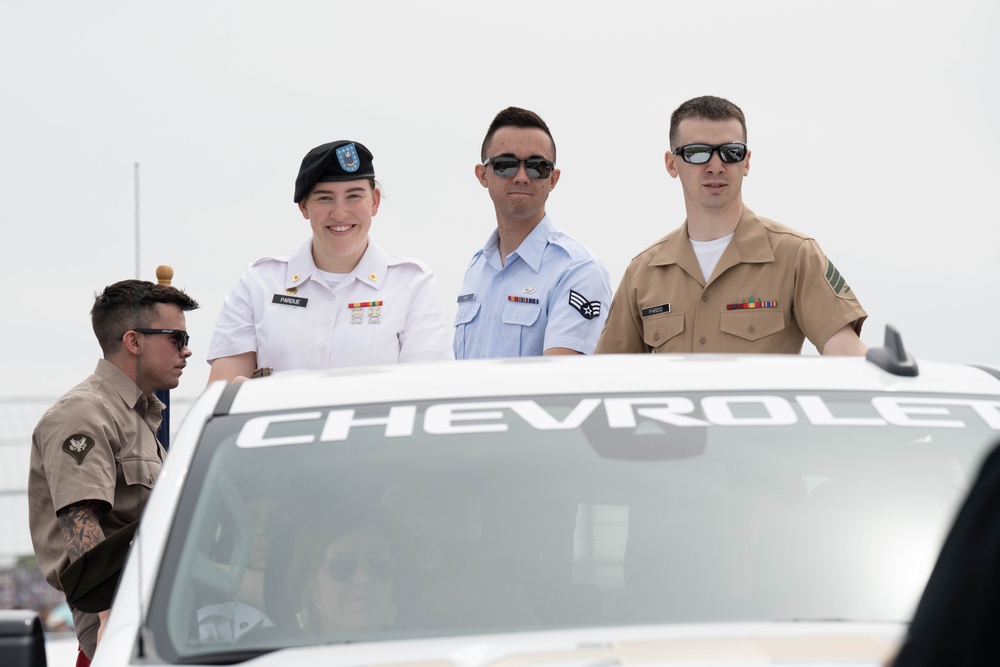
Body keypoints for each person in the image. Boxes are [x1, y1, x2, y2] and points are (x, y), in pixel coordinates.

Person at [595, 95, 867, 356]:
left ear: (746, 162)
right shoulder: (643, 273)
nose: (716, 166)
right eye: (697, 153)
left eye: (730, 152)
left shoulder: (796, 256)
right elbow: (605, 377)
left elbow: (846, 352)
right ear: (671, 164)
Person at [27, 279, 199, 665]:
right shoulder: (84, 413)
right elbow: (80, 519)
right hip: (122, 617)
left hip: (156, 608)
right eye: (177, 337)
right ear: (133, 341)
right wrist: (111, 621)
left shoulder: (138, 418)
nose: (187, 350)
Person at [207, 140, 453, 382]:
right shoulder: (258, 283)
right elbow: (222, 393)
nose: (339, 213)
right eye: (325, 198)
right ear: (304, 206)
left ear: (375, 201)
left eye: (354, 196)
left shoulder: (412, 284)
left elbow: (426, 390)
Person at [453, 107, 612, 359]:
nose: (522, 177)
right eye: (506, 165)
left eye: (538, 167)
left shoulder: (578, 270)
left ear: (553, 179)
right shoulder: (477, 268)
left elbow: (561, 385)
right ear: (482, 175)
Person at [266, 511, 398, 636]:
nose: (364, 578)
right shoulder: (275, 658)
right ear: (308, 586)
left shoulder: (417, 651)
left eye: (379, 564)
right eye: (342, 565)